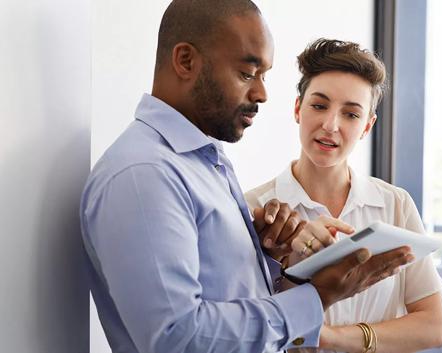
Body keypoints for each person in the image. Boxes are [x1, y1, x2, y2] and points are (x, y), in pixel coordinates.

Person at [80, 1, 414, 353]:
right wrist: (317, 297)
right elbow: (177, 338)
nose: (262, 94)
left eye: (264, 75)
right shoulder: (145, 175)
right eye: (246, 73)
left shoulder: (203, 162)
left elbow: (220, 300)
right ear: (185, 61)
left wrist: (267, 257)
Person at [245, 38, 442, 353]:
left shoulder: (395, 204)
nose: (330, 125)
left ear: (367, 126)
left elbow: (434, 326)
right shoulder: (255, 209)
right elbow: (242, 325)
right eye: (319, 105)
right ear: (298, 109)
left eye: (351, 115)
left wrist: (331, 337)